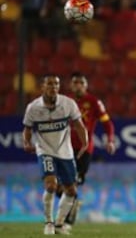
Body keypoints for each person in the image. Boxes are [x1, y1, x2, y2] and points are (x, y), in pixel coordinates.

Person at [22, 74, 88, 235]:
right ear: (42, 87)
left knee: (71, 191)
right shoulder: (33, 108)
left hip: (65, 151)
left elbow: (79, 125)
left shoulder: (68, 104)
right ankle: (49, 223)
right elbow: (27, 129)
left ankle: (59, 224)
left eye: (56, 84)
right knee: (51, 185)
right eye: (50, 84)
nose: (54, 87)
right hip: (45, 150)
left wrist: (85, 143)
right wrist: (26, 142)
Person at [58, 72, 116, 230]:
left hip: (84, 150)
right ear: (71, 85)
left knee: (72, 183)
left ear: (86, 85)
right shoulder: (65, 102)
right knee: (57, 186)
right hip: (65, 149)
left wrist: (110, 140)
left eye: (81, 83)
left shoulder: (94, 102)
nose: (78, 85)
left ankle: (66, 222)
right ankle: (72, 205)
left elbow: (107, 123)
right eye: (75, 82)